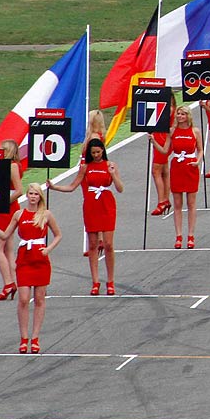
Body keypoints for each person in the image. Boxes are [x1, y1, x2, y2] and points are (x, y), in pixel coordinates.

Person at [46, 115, 123, 295]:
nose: (96, 155)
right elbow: (73, 186)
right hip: (91, 204)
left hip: (106, 203)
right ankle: (95, 281)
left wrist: (113, 174)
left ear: (102, 151)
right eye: (93, 153)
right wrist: (55, 187)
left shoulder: (110, 165)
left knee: (109, 244)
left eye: (98, 152)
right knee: (93, 244)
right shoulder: (85, 167)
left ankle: (110, 281)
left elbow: (120, 188)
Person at [12, 184, 61, 354]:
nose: (33, 197)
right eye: (31, 194)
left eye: (36, 194)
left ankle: (35, 337)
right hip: (24, 258)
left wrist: (48, 249)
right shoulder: (19, 214)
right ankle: (23, 337)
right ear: (27, 195)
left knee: (39, 299)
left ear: (40, 197)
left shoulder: (46, 214)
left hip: (40, 258)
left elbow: (58, 235)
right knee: (24, 298)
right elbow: (5, 235)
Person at [0, 135, 26, 300]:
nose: (0, 152)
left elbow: (19, 190)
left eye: (3, 149)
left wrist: (1, 202)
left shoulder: (12, 167)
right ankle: (14, 281)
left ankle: (8, 283)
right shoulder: (8, 166)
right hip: (5, 209)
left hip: (8, 210)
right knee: (8, 249)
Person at [164, 111, 202, 247]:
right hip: (177, 167)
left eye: (182, 114)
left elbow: (200, 150)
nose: (179, 116)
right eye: (178, 114)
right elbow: (164, 150)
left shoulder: (195, 131)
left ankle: (191, 235)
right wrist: (153, 141)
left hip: (190, 167)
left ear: (188, 116)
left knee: (191, 204)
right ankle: (178, 236)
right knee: (177, 203)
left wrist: (197, 161)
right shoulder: (172, 131)